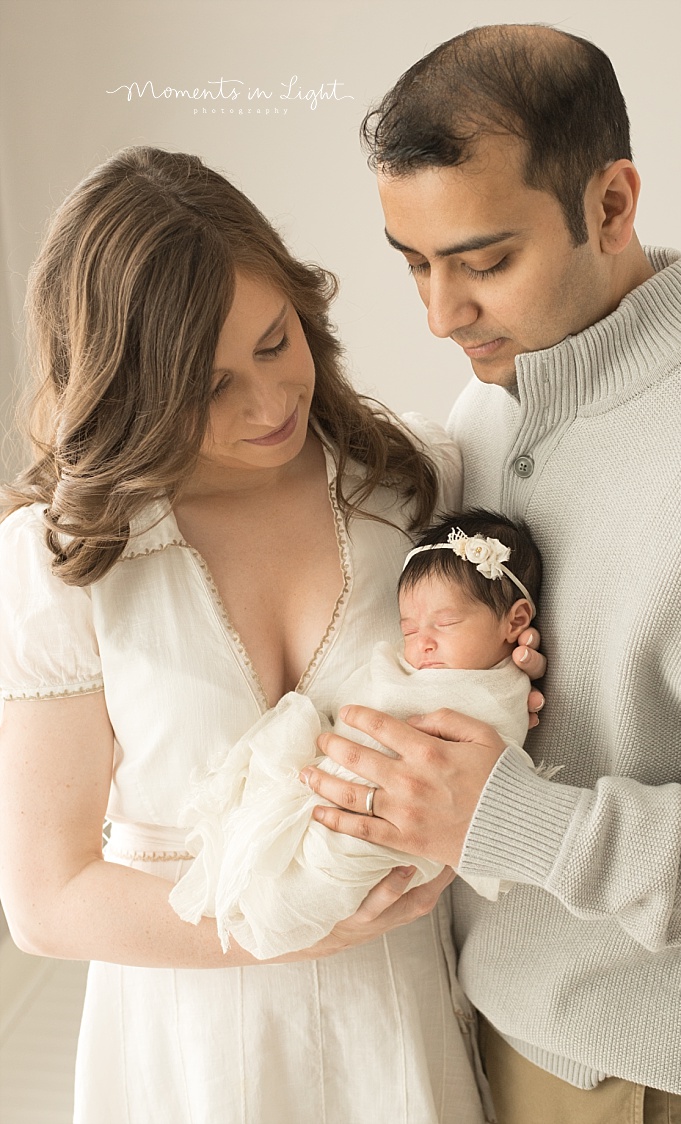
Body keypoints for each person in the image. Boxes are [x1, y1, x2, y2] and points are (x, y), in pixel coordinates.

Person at [0, 145, 545, 1124]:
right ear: (126, 388)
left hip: (399, 1029)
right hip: (184, 1053)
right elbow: (47, 897)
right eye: (207, 386)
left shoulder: (417, 479)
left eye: (272, 339)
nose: (267, 402)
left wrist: (501, 684)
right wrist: (291, 931)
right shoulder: (63, 557)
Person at [299, 24, 681, 1123]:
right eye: (415, 262)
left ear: (611, 204)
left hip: (645, 1080)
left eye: (485, 261)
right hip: (486, 1029)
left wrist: (518, 822)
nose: (441, 313)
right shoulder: (488, 404)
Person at [169, 508, 557, 959]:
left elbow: (490, 766)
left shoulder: (504, 691)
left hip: (407, 816)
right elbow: (364, 697)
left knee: (330, 861)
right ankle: (266, 897)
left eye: (445, 624)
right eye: (408, 628)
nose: (421, 643)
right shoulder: (404, 664)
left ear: (516, 621)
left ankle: (277, 910)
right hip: (344, 781)